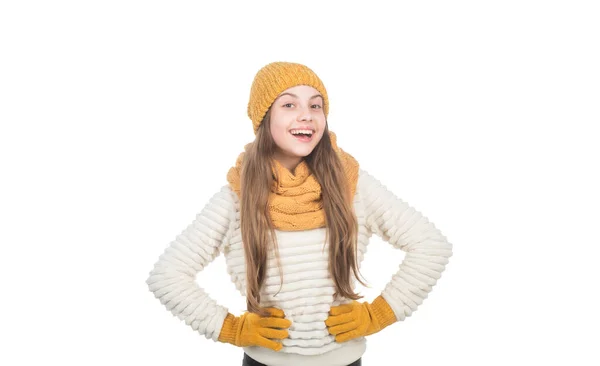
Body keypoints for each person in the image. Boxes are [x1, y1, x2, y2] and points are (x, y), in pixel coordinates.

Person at [146, 61, 453, 366]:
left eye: (315, 105)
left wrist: (378, 314)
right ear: (264, 118)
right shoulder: (236, 197)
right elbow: (167, 276)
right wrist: (231, 328)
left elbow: (431, 246)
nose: (306, 114)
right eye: (289, 104)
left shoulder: (353, 185)